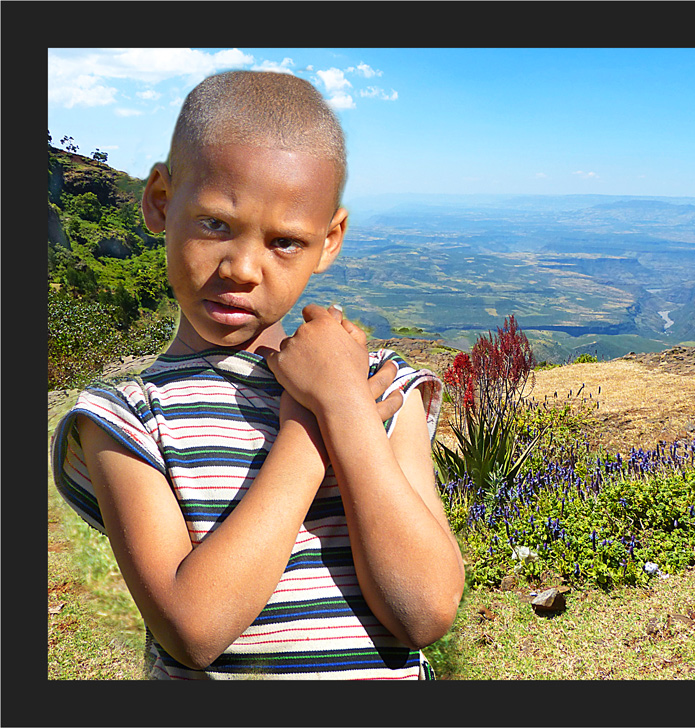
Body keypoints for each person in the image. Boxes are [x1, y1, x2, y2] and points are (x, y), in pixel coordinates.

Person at [51, 70, 465, 680]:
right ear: (160, 201)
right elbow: (194, 630)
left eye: (286, 242)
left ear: (330, 241)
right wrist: (310, 424)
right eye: (216, 224)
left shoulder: (381, 387)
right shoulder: (125, 421)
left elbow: (424, 613)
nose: (243, 268)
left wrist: (346, 406)